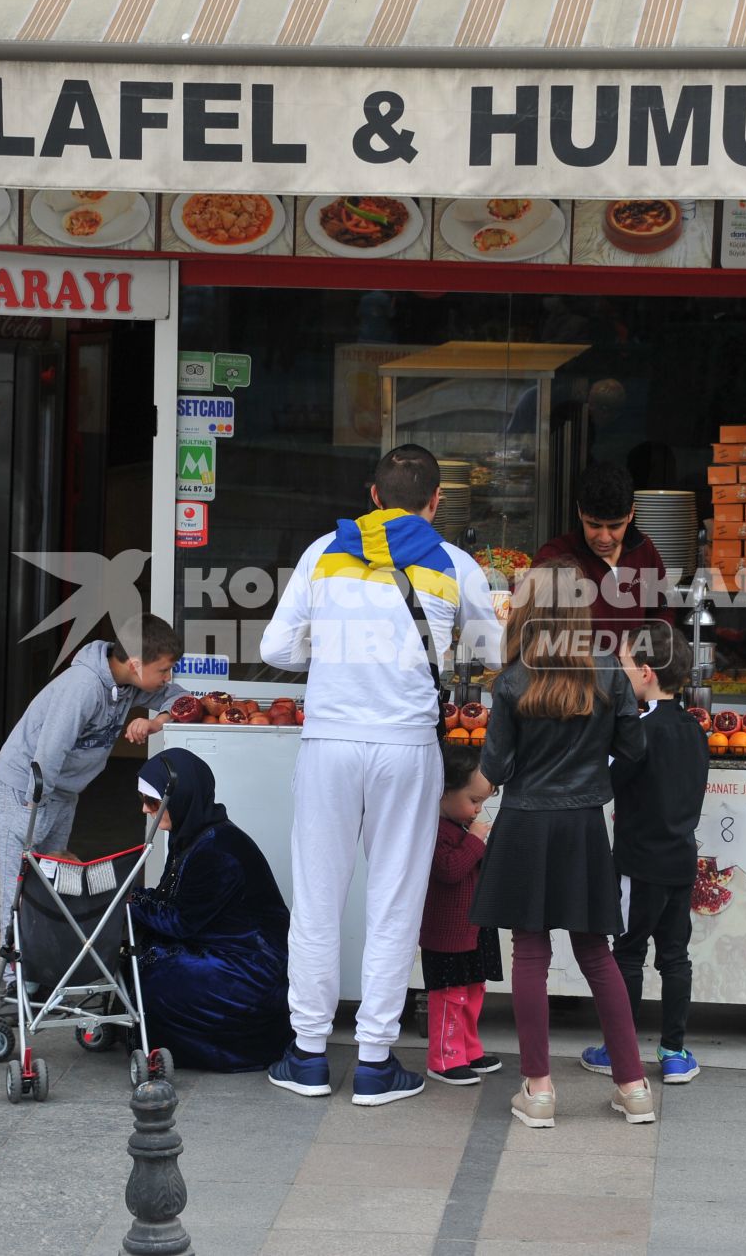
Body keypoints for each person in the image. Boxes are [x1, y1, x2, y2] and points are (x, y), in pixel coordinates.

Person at [260, 444, 499, 1107]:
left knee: (317, 899)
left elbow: (274, 648)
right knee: (394, 902)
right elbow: (492, 649)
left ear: (372, 496)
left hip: (330, 741)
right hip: (406, 746)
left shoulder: (323, 551)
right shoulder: (455, 565)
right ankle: (373, 1063)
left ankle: (307, 1054)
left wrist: (334, 643)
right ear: (435, 500)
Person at [471, 565, 657, 1128]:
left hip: (526, 822)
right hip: (582, 825)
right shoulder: (608, 673)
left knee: (529, 952)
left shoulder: (511, 680)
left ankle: (540, 1089)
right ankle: (634, 1087)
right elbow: (634, 750)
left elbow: (497, 767)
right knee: (595, 953)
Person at [0, 614, 187, 950]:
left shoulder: (126, 684)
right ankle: (14, 981)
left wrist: (157, 723)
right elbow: (50, 750)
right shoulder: (83, 686)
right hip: (27, 788)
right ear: (136, 664)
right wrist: (34, 809)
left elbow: (180, 698)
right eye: (163, 670)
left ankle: (44, 971)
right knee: (19, 886)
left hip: (63, 792)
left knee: (55, 883)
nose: (167, 678)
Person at [582, 621, 709, 1086]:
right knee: (675, 956)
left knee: (629, 954)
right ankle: (674, 1052)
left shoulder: (637, 730)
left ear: (647, 673)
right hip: (682, 860)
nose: (620, 671)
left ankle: (619, 1051)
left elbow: (608, 784)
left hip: (638, 863)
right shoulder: (695, 730)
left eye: (625, 665)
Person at [129, 748, 291, 1072]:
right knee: (137, 962)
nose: (145, 810)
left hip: (252, 970)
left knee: (156, 980)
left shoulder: (218, 849)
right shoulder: (192, 835)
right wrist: (137, 901)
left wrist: (130, 902)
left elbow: (181, 920)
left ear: (180, 797)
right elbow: (170, 899)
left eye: (152, 802)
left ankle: (181, 1049)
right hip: (226, 951)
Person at [420, 745, 502, 1086]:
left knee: (473, 989)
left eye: (482, 802)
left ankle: (468, 1049)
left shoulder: (462, 829)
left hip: (474, 926)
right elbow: (450, 869)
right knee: (450, 993)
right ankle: (443, 1057)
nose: (478, 809)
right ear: (444, 793)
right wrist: (475, 840)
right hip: (447, 931)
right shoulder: (435, 830)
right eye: (473, 800)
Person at [535, 462, 671, 644]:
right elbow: (531, 617)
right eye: (594, 525)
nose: (605, 538)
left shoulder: (644, 550)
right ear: (579, 512)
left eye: (615, 526)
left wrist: (651, 653)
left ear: (631, 513)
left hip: (634, 668)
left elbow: (661, 611)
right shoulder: (555, 555)